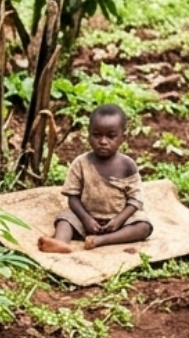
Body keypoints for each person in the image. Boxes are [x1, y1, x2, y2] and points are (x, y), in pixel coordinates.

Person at [40, 104, 153, 254]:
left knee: (144, 226)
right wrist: (86, 219)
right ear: (88, 135)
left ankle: (102, 240)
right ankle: (60, 242)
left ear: (123, 138)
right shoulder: (81, 163)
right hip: (86, 217)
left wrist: (119, 220)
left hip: (118, 220)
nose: (103, 141)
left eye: (111, 136)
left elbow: (135, 200)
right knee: (64, 219)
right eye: (97, 135)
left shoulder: (127, 165)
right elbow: (72, 197)